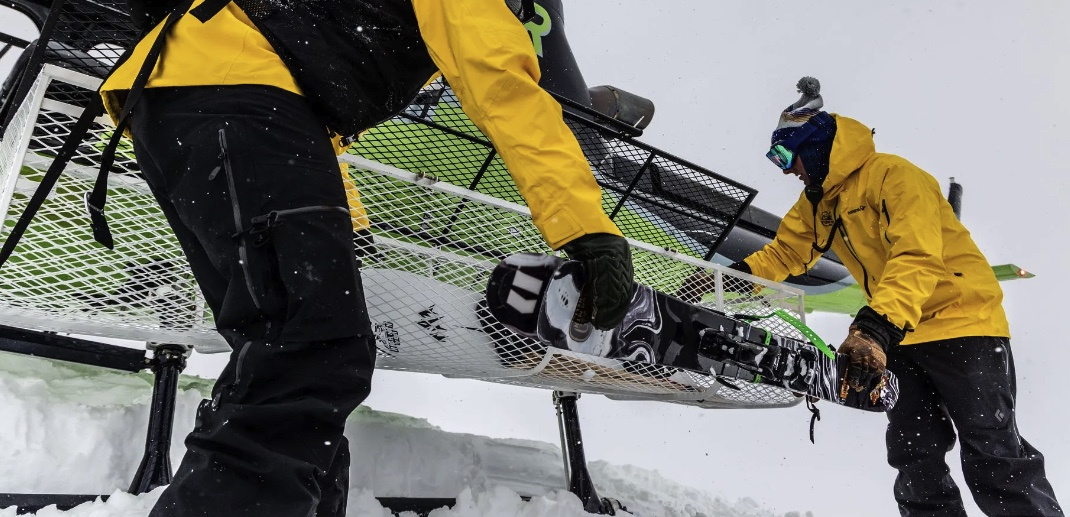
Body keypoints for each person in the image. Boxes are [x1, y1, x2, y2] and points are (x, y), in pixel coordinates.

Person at [96, 1, 635, 515]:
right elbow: (501, 84)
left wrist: (352, 231)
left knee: (298, 356)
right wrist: (587, 227)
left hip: (193, 96)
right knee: (310, 351)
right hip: (236, 96)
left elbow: (315, 132)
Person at [731, 77, 1063, 517]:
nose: (788, 170)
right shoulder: (818, 202)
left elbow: (917, 258)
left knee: (993, 455)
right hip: (897, 335)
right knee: (915, 457)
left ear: (815, 146)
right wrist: (730, 281)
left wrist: (872, 328)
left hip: (961, 325)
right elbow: (787, 253)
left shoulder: (895, 176)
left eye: (788, 157)